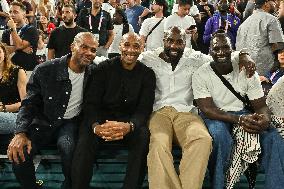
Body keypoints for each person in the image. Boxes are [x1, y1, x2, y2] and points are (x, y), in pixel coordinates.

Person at [7, 32, 98, 189]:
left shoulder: (95, 72)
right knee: (19, 151)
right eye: (84, 47)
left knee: (69, 148)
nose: (89, 53)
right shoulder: (45, 70)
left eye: (93, 50)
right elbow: (29, 104)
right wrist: (20, 132)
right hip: (42, 121)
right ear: (72, 47)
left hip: (69, 123)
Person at [192, 30, 278, 189]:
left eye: (225, 47)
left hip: (243, 113)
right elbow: (207, 109)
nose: (221, 52)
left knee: (273, 136)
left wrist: (265, 119)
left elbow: (260, 106)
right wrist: (238, 120)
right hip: (216, 116)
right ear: (210, 51)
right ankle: (219, 185)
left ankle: (276, 185)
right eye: (216, 49)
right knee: (219, 135)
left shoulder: (246, 69)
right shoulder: (201, 73)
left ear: (232, 49)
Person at [71, 33, 156, 189]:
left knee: (143, 135)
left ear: (142, 49)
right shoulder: (103, 69)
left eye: (136, 46)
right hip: (101, 121)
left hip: (128, 122)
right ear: (120, 46)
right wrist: (96, 126)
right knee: (85, 137)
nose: (130, 50)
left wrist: (130, 126)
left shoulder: (147, 74)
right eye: (127, 45)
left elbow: (144, 109)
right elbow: (91, 103)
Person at [138, 26, 212, 189]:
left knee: (202, 139)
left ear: (185, 43)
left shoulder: (194, 57)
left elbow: (221, 57)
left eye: (179, 42)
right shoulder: (149, 57)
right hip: (159, 112)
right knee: (159, 144)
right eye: (170, 40)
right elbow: (121, 58)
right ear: (164, 40)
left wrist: (243, 55)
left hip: (186, 113)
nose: (173, 45)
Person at [236, 0, 284, 76]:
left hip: (245, 74)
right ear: (266, 3)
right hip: (265, 76)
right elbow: (279, 47)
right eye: (273, 1)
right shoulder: (271, 19)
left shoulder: (242, 25)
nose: (275, 5)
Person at [1, 1, 39, 72]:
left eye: (15, 12)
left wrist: (13, 28)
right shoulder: (6, 32)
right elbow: (3, 50)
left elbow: (19, 45)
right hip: (10, 71)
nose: (12, 14)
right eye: (10, 12)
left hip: (28, 70)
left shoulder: (31, 30)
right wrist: (21, 49)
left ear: (24, 14)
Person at [0, 42, 27, 134]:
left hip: (16, 116)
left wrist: (3, 108)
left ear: (4, 53)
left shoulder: (18, 71)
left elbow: (26, 103)